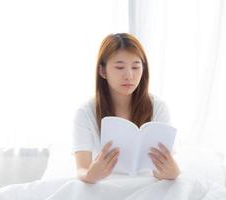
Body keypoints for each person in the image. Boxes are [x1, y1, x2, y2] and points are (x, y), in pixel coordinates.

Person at [72, 33, 180, 184]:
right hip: (104, 187)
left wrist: (172, 172)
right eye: (119, 67)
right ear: (102, 71)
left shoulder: (158, 107)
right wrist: (90, 175)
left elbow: (165, 165)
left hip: (147, 187)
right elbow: (81, 169)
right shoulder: (85, 113)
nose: (129, 75)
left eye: (136, 67)